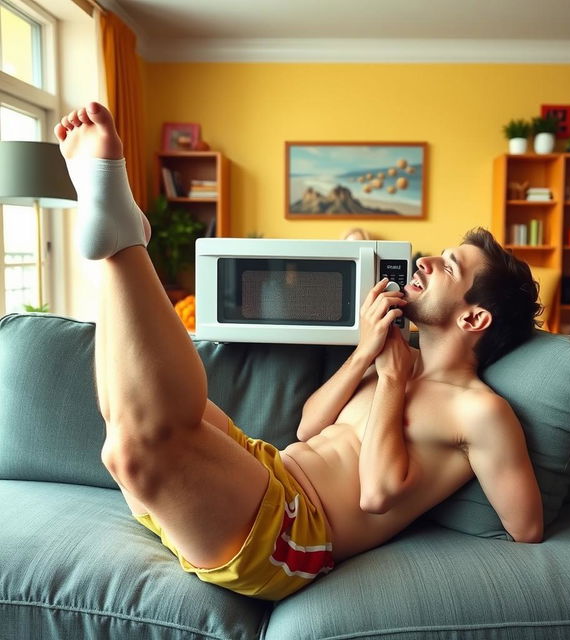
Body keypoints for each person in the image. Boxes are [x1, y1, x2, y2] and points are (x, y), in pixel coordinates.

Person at [54, 102, 544, 602]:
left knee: (132, 447)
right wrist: (363, 355)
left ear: (474, 318)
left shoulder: (478, 409)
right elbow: (310, 427)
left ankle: (124, 243)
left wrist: (393, 381)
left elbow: (388, 498)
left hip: (294, 534)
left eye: (451, 267)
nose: (430, 259)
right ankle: (121, 241)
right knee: (143, 421)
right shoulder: (396, 355)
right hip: (269, 471)